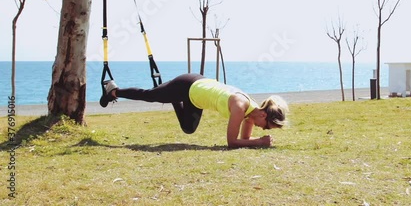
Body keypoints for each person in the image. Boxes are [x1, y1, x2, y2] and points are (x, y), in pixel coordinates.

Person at [99, 73, 288, 148]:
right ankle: (113, 90)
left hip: (196, 96)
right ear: (263, 115)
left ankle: (172, 97)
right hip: (189, 85)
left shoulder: (251, 115)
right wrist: (260, 142)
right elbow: (232, 142)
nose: (264, 129)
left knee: (188, 128)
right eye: (267, 127)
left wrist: (258, 142)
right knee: (150, 95)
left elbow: (245, 140)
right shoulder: (240, 107)